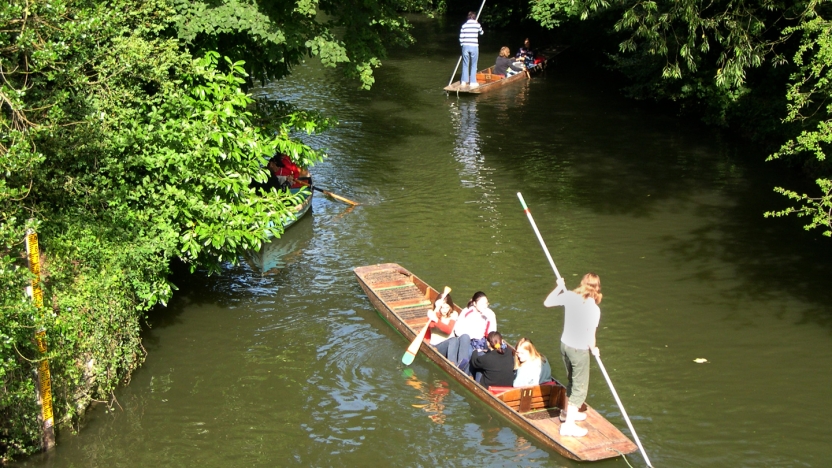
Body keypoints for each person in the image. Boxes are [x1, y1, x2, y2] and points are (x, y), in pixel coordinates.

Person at [544, 273, 602, 437]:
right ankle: (568, 426)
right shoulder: (594, 309)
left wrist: (559, 287)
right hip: (578, 350)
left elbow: (547, 302)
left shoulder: (570, 296)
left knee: (572, 380)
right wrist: (594, 348)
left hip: (565, 346)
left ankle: (567, 412)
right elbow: (590, 334)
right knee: (579, 389)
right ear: (597, 288)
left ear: (582, 283)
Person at [435, 291, 496, 372]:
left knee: (485, 354)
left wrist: (489, 319)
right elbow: (458, 330)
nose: (484, 306)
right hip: (468, 341)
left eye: (486, 303)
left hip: (483, 342)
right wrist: (471, 335)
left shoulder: (490, 314)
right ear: (474, 303)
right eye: (481, 304)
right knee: (469, 353)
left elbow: (492, 333)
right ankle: (464, 372)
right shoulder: (467, 311)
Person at [459, 11, 484, 89]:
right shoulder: (477, 25)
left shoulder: (464, 26)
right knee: (474, 64)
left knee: (465, 63)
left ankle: (464, 81)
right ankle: (472, 82)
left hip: (465, 46)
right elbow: (482, 33)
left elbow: (461, 38)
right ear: (474, 17)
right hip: (474, 46)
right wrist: (477, 24)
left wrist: (462, 45)